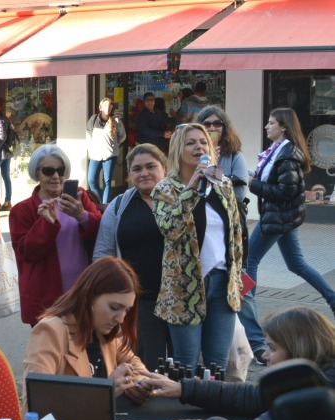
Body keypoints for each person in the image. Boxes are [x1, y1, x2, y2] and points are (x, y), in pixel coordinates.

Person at [144, 306, 335, 420]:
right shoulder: (319, 378)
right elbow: (254, 395)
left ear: (298, 351)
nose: (265, 356)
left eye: (272, 348)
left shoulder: (313, 393)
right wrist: (185, 389)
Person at [152, 123, 243, 370]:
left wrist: (237, 279)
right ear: (178, 149)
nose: (198, 147)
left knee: (217, 365)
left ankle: (213, 398)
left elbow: (236, 235)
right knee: (186, 364)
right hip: (184, 287)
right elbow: (170, 229)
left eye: (203, 142)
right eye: (190, 143)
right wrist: (192, 188)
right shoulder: (165, 189)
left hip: (222, 284)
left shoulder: (223, 185)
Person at [23, 257, 157, 409]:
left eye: (126, 310)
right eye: (114, 307)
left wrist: (139, 382)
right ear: (89, 296)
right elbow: (36, 405)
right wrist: (104, 392)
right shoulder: (51, 331)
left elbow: (133, 362)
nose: (120, 319)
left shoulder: (102, 331)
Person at [243, 107, 335, 327]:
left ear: (283, 127)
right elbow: (276, 182)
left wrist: (253, 184)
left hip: (277, 217)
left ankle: (246, 316)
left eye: (271, 123)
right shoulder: (278, 150)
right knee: (296, 264)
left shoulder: (287, 154)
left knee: (249, 260)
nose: (266, 126)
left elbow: (285, 191)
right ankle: (333, 298)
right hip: (284, 217)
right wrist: (253, 177)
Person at [93, 144, 170, 371]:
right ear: (130, 174)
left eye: (150, 166)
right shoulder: (119, 206)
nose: (144, 173)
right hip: (140, 303)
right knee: (147, 366)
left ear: (164, 169)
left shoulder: (180, 200)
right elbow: (103, 253)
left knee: (183, 365)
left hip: (178, 301)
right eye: (137, 169)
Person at [195, 106, 262, 359]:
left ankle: (256, 343)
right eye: (207, 124)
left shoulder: (234, 155)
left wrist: (214, 172)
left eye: (217, 124)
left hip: (230, 237)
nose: (212, 128)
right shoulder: (192, 154)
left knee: (241, 286)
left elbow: (238, 195)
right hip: (200, 239)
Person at [10, 144, 101, 327]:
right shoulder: (23, 210)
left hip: (82, 291)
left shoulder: (79, 197)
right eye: (48, 171)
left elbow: (101, 229)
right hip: (47, 297)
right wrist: (46, 223)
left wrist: (82, 216)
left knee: (83, 344)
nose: (56, 176)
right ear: (37, 174)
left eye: (60, 170)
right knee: (51, 345)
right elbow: (27, 253)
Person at [86, 98, 126, 203]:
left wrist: (115, 145)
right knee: (91, 180)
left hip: (110, 155)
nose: (107, 108)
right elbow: (88, 132)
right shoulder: (94, 119)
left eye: (109, 106)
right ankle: (99, 201)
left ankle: (104, 205)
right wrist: (90, 148)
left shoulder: (116, 121)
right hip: (95, 155)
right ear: (100, 107)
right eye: (105, 105)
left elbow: (122, 136)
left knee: (107, 181)